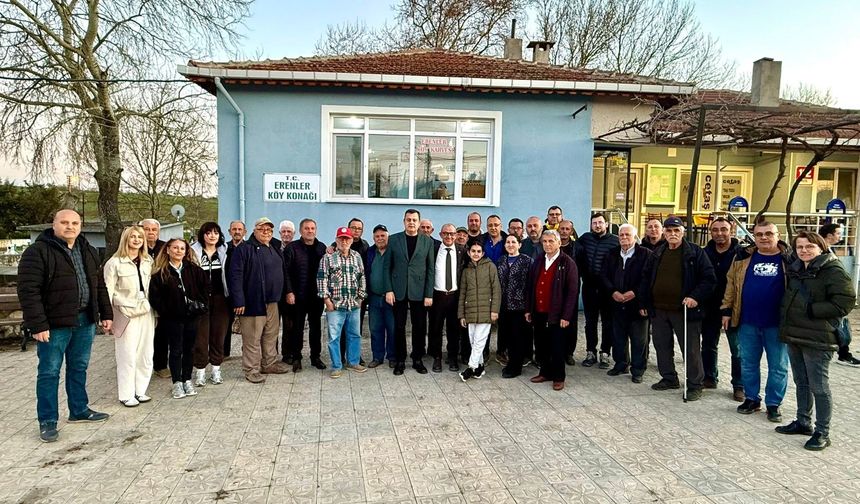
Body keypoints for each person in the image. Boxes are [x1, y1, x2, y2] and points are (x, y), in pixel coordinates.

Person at [18, 209, 113, 442]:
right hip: (54, 324)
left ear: (80, 225)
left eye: (74, 222)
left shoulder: (88, 250)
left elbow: (98, 285)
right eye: (64, 222)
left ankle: (79, 410)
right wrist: (38, 325)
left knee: (79, 367)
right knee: (49, 372)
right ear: (54, 224)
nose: (70, 226)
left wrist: (106, 313)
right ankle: (48, 421)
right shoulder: (37, 252)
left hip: (84, 320)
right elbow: (29, 291)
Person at [776, 231, 855, 451]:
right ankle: (803, 421)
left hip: (819, 337)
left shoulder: (833, 270)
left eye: (809, 246)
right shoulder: (797, 268)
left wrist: (813, 310)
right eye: (800, 247)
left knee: (819, 386)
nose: (804, 251)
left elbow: (845, 302)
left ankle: (822, 432)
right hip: (794, 333)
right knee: (801, 382)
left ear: (820, 247)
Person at [721, 221, 792, 421]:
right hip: (748, 321)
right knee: (748, 363)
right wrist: (726, 310)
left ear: (778, 235)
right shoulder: (743, 257)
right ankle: (752, 398)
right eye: (759, 234)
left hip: (777, 324)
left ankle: (773, 404)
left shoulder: (789, 259)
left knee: (778, 366)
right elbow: (731, 284)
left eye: (769, 233)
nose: (763, 237)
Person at [640, 216, 715, 401]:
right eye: (669, 231)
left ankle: (695, 384)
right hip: (659, 310)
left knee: (690, 349)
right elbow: (645, 278)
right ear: (664, 233)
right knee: (662, 346)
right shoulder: (657, 252)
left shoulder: (695, 252)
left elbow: (709, 279)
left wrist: (695, 296)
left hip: (684, 311)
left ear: (683, 232)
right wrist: (644, 303)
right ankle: (669, 377)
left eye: (676, 231)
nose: (673, 234)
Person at [229, 217, 291, 383]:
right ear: (254, 231)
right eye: (262, 229)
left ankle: (269, 363)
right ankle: (251, 369)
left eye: (269, 229)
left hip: (273, 302)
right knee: (252, 339)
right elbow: (235, 277)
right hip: (253, 302)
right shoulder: (244, 249)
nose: (266, 232)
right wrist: (239, 301)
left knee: (271, 335)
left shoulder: (274, 247)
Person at [149, 238, 209, 399]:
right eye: (175, 248)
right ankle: (176, 382)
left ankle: (187, 379)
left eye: (182, 248)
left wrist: (201, 306)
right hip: (172, 318)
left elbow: (205, 289)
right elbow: (155, 297)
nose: (178, 251)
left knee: (189, 349)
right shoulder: (160, 272)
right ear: (167, 250)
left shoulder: (194, 270)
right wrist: (167, 310)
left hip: (192, 316)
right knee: (175, 350)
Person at [104, 226, 155, 407]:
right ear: (125, 239)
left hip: (146, 312)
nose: (136, 240)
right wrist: (107, 316)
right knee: (127, 354)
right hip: (126, 312)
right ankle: (126, 394)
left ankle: (140, 390)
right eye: (132, 237)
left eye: (139, 237)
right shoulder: (115, 263)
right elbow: (108, 290)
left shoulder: (148, 260)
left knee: (146, 353)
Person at [526, 230, 578, 391]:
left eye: (551, 241)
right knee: (541, 344)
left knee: (557, 346)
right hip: (539, 310)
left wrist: (566, 315)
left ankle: (558, 377)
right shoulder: (539, 260)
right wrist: (529, 309)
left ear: (559, 243)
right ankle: (545, 372)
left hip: (557, 313)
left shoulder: (567, 262)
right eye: (545, 242)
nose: (547, 245)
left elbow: (572, 291)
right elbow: (530, 286)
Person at [599, 224, 651, 382]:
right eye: (621, 235)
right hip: (616, 302)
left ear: (635, 237)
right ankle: (621, 364)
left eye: (627, 235)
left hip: (637, 304)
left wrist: (634, 293)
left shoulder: (646, 254)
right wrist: (612, 292)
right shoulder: (611, 254)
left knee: (639, 340)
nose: (623, 238)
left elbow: (648, 279)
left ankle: (638, 370)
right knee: (618, 337)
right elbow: (603, 275)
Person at [386, 208, 435, 375]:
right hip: (398, 290)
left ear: (419, 222)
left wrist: (429, 294)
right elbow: (387, 267)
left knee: (419, 326)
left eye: (414, 220)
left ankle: (417, 359)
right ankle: (400, 360)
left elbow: (430, 269)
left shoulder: (427, 241)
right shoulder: (393, 240)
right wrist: (389, 290)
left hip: (419, 291)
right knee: (399, 326)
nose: (411, 222)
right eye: (408, 219)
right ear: (404, 221)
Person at [703, 217, 744, 401]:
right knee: (709, 344)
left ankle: (739, 385)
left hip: (734, 307)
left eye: (723, 229)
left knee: (737, 348)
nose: (719, 233)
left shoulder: (741, 254)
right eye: (715, 230)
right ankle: (709, 377)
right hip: (710, 306)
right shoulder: (704, 252)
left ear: (731, 229)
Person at [318, 227, 368, 378]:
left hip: (353, 305)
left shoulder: (357, 256)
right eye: (341, 238)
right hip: (335, 305)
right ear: (336, 239)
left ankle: (353, 362)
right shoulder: (327, 258)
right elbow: (322, 279)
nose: (344, 241)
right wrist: (327, 300)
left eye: (347, 238)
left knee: (354, 335)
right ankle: (336, 366)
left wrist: (360, 298)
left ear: (352, 240)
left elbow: (362, 278)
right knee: (334, 337)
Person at [575, 212, 619, 368]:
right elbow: (576, 255)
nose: (597, 225)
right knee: (590, 322)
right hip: (589, 286)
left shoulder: (615, 241)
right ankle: (590, 352)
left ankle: (605, 353)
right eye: (594, 223)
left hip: (608, 289)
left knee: (608, 322)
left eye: (600, 222)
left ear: (606, 224)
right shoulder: (585, 239)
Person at [284, 218, 328, 371]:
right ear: (301, 231)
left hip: (316, 296)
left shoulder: (322, 248)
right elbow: (286, 273)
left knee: (316, 328)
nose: (310, 231)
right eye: (307, 228)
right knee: (297, 328)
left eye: (312, 228)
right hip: (298, 296)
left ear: (316, 230)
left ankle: (315, 357)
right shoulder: (292, 248)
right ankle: (296, 357)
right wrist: (289, 291)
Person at [190, 222, 230, 386]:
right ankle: (200, 371)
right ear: (203, 235)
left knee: (218, 335)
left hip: (221, 299)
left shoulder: (225, 251)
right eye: (208, 233)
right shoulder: (193, 252)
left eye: (215, 232)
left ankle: (216, 370)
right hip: (201, 300)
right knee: (201, 337)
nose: (212, 235)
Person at [457, 241, 501, 381]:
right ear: (469, 253)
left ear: (482, 253)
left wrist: (494, 310)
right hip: (470, 312)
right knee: (473, 341)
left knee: (480, 341)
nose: (476, 254)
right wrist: (461, 314)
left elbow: (496, 290)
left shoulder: (490, 267)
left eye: (478, 251)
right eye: (473, 251)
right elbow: (462, 293)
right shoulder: (466, 270)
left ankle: (471, 368)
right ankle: (480, 367)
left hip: (485, 311)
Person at [819, 223, 860, 367]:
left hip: (834, 296)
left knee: (841, 325)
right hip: (826, 297)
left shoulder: (829, 249)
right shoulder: (820, 250)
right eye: (838, 233)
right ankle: (843, 353)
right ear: (829, 235)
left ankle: (844, 353)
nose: (840, 236)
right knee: (837, 325)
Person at [429, 223, 467, 372]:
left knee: (454, 329)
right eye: (446, 233)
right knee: (436, 328)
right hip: (437, 296)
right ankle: (437, 357)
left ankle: (452, 357)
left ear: (456, 235)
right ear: (440, 235)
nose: (449, 236)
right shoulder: (433, 250)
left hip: (454, 297)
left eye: (452, 234)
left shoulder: (462, 251)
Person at [334, 218, 370, 366]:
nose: (356, 230)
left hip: (357, 297)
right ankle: (341, 356)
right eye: (353, 228)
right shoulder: (335, 246)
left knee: (356, 328)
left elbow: (363, 273)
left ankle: (354, 356)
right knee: (340, 328)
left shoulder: (365, 246)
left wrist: (362, 296)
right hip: (340, 298)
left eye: (359, 228)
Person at [498, 234, 533, 378]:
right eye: (508, 242)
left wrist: (529, 308)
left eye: (513, 242)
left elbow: (531, 285)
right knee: (506, 336)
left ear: (519, 244)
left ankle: (516, 367)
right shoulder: (501, 260)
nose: (510, 244)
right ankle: (510, 363)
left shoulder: (527, 261)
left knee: (517, 338)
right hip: (504, 305)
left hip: (520, 306)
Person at [141, 218, 169, 378]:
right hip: (141, 295)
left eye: (154, 230)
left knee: (161, 333)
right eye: (147, 229)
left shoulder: (164, 248)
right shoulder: (136, 246)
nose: (150, 232)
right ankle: (142, 365)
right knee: (143, 334)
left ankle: (160, 365)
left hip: (161, 294)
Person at [366, 224, 395, 368]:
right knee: (375, 328)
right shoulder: (369, 251)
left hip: (391, 298)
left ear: (388, 236)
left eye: (383, 235)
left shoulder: (394, 251)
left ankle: (392, 356)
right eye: (377, 236)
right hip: (374, 297)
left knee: (392, 328)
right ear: (373, 238)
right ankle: (377, 357)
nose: (380, 238)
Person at [224, 220, 246, 358]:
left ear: (244, 232)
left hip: (244, 293)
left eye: (239, 229)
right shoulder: (223, 249)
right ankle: (224, 353)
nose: (237, 232)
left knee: (247, 326)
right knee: (225, 324)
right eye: (234, 229)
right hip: (227, 292)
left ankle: (247, 352)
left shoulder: (249, 248)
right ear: (229, 232)